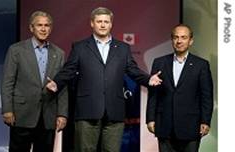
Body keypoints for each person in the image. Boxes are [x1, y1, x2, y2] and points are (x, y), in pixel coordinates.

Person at [46, 7, 162, 152]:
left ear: (111, 24)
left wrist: (148, 79)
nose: (102, 25)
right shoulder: (80, 47)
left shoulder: (123, 48)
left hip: (114, 111)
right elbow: (69, 70)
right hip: (87, 110)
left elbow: (132, 70)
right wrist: (56, 83)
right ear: (92, 23)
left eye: (106, 22)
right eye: (99, 21)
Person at [1, 11, 68, 152]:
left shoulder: (59, 54)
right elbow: (7, 82)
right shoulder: (16, 50)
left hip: (48, 116)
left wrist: (62, 114)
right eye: (39, 25)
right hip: (21, 114)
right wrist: (7, 110)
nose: (43, 29)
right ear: (31, 28)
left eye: (47, 25)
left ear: (51, 28)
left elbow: (63, 87)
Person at [146, 24, 213, 152]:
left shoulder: (201, 65)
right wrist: (150, 118)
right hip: (164, 124)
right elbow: (153, 94)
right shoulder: (159, 62)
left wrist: (206, 121)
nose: (179, 41)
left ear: (191, 41)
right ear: (172, 40)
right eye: (176, 37)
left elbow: (206, 96)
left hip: (191, 125)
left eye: (183, 37)